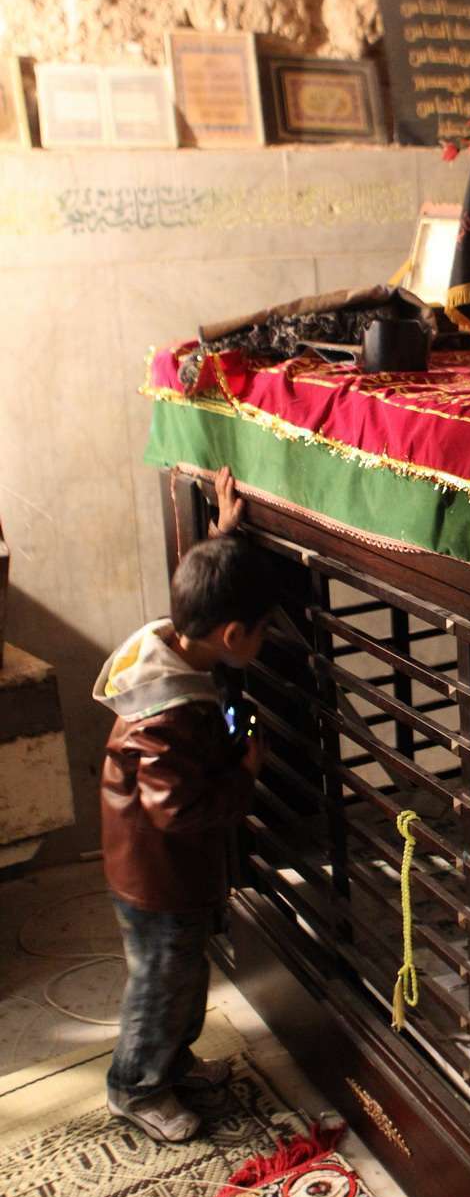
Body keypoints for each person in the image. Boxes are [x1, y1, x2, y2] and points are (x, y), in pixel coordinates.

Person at [93, 467, 272, 1144]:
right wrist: (245, 775)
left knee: (183, 976)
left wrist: (222, 536)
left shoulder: (166, 639)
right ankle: (134, 1086)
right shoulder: (164, 715)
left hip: (167, 873)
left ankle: (169, 1062)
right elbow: (176, 810)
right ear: (231, 637)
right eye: (258, 634)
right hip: (156, 878)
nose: (260, 645)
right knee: (162, 984)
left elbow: (196, 584)